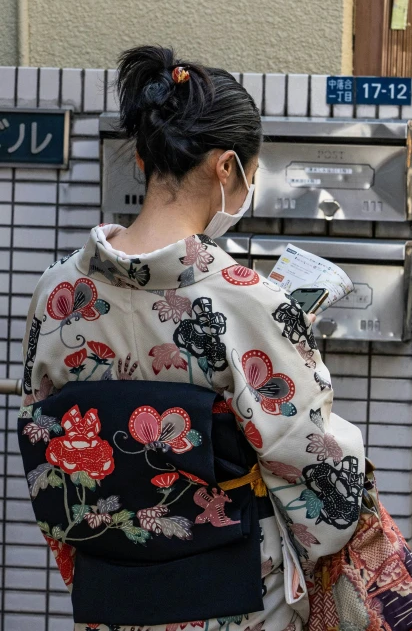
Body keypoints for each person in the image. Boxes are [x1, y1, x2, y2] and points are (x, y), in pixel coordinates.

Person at [17, 46, 367, 631]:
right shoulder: (247, 300)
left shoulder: (57, 292)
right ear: (226, 168)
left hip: (110, 588)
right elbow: (314, 467)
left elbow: (43, 436)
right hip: (230, 594)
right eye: (251, 176)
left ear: (142, 156)